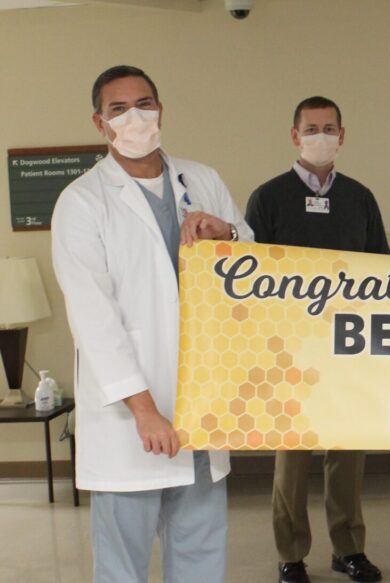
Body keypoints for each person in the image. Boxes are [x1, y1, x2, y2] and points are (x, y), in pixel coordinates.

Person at [51, 65, 253, 583]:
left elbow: (256, 266)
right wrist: (144, 411)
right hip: (132, 419)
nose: (135, 116)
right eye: (119, 109)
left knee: (201, 557)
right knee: (123, 565)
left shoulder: (201, 179)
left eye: (145, 103)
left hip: (202, 400)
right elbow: (94, 318)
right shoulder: (82, 201)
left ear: (162, 110)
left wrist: (227, 232)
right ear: (100, 123)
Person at [246, 96, 387, 583]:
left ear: (342, 136)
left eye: (330, 128)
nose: (321, 136)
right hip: (290, 349)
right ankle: (291, 554)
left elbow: (381, 271)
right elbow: (252, 275)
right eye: (312, 128)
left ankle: (348, 549)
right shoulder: (268, 198)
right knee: (291, 459)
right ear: (294, 135)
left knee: (347, 454)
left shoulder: (360, 198)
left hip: (347, 346)